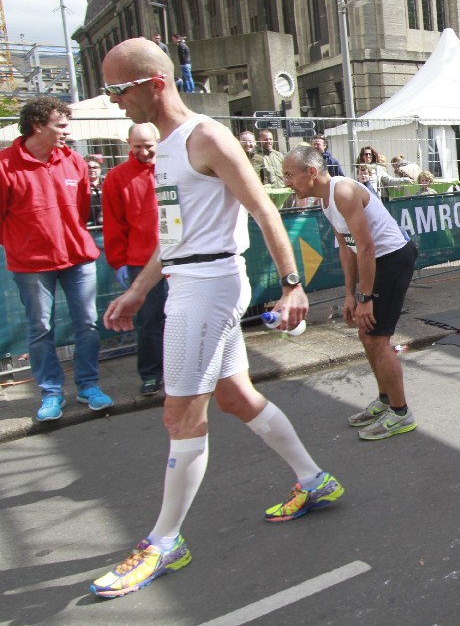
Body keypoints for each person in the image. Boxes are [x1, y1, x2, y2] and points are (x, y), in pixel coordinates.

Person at [91, 38, 342, 598]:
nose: (113, 100)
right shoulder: (166, 145)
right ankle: (313, 479)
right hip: (190, 281)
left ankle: (164, 542)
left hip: (208, 287)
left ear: (155, 84)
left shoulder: (206, 136)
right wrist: (137, 292)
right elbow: (175, 239)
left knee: (179, 415)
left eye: (118, 89)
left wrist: (293, 285)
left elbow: (263, 209)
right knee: (234, 397)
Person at [283, 146, 419, 440]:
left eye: (289, 175)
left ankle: (401, 413)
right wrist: (349, 294)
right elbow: (347, 249)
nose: (286, 182)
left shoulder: (343, 191)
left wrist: (364, 299)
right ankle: (386, 400)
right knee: (366, 335)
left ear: (311, 172)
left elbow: (366, 247)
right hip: (376, 261)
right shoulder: (324, 201)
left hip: (393, 259)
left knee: (377, 338)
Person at [0, 96, 113, 422]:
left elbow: (81, 208)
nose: (67, 131)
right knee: (40, 329)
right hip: (31, 264)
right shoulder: (5, 164)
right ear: (38, 125)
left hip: (78, 257)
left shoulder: (74, 160)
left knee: (87, 324)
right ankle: (51, 393)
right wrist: (23, 245)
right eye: (61, 125)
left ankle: (88, 387)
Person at [102, 123, 166, 397]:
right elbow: (113, 224)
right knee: (149, 321)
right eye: (137, 146)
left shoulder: (171, 167)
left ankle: (182, 370)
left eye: (148, 146)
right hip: (141, 260)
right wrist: (119, 263)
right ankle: (151, 375)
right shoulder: (117, 177)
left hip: (177, 256)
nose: (144, 151)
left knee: (180, 317)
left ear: (157, 141)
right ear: (128, 144)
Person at [86, 154, 105, 226]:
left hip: (106, 224)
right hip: (89, 225)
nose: (92, 170)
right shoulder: (80, 187)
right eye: (89, 167)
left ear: (100, 169)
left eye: (95, 167)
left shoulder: (106, 185)